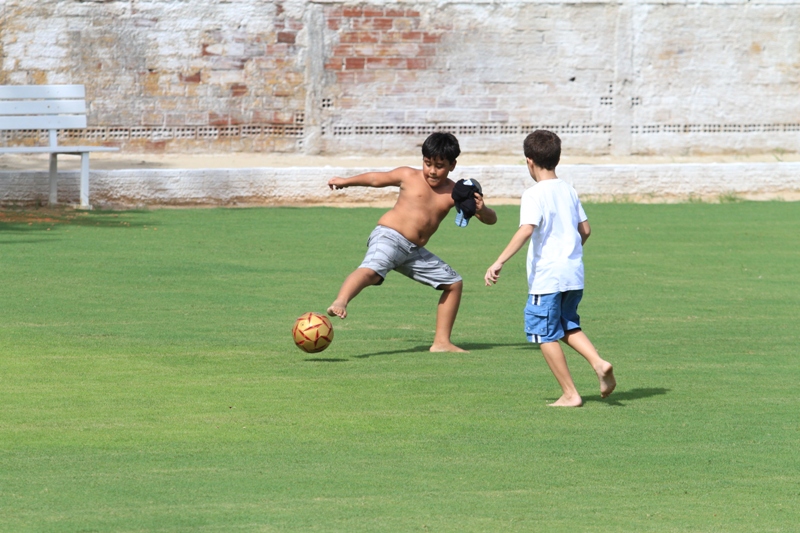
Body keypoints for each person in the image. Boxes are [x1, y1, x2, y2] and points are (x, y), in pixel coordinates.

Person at [327, 132, 497, 352]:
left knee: (453, 283)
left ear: (452, 165)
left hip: (413, 251)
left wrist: (483, 209)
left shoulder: (454, 193)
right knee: (371, 271)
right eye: (428, 163)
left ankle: (441, 343)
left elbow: (490, 220)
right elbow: (375, 179)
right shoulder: (408, 175)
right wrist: (345, 182)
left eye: (440, 165)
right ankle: (341, 300)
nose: (433, 171)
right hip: (389, 236)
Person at [484, 130, 615, 406]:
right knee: (567, 325)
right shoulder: (568, 190)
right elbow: (586, 230)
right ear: (557, 158)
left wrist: (499, 261)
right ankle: (599, 363)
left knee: (543, 333)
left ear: (529, 161)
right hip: (573, 273)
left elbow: (526, 230)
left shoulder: (533, 194)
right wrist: (569, 252)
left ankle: (570, 394)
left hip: (548, 277)